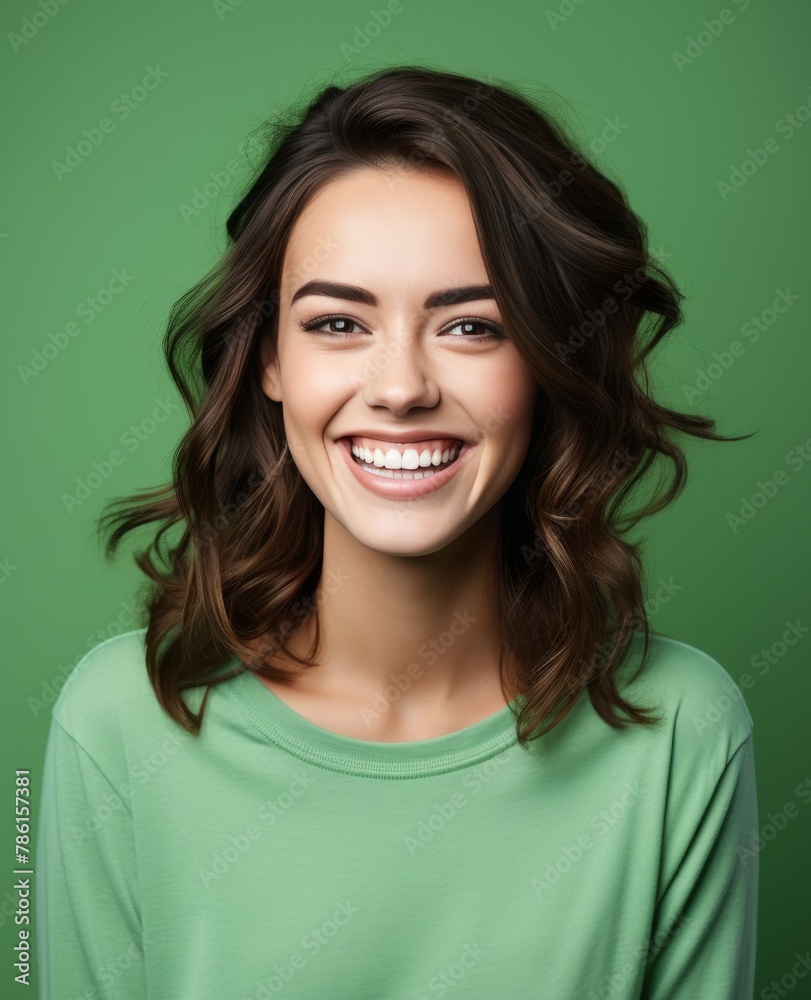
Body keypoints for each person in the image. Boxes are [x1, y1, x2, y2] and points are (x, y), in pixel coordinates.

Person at [35, 65, 759, 999]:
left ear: (549, 361)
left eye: (471, 327)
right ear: (268, 360)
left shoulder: (684, 734)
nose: (400, 387)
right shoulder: (115, 724)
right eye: (337, 322)